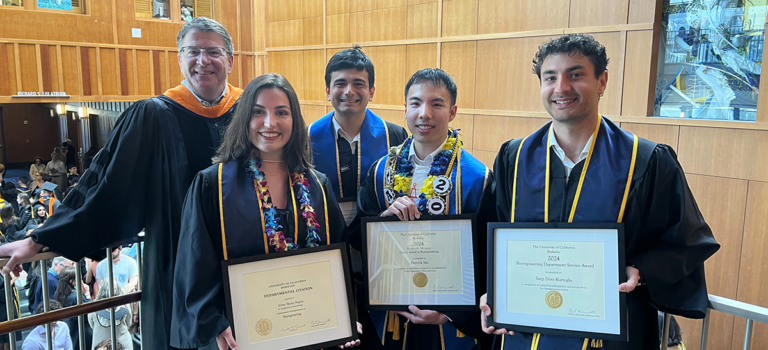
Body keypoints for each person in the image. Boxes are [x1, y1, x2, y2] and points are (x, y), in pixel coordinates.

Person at [0, 17, 243, 350]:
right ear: (179, 58)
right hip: (176, 263)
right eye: (193, 51)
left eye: (213, 51)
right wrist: (42, 237)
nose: (203, 60)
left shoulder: (251, 112)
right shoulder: (153, 115)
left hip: (243, 259)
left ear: (230, 60)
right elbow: (105, 184)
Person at [478, 34, 720, 350]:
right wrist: (494, 291)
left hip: (609, 336)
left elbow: (688, 241)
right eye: (550, 77)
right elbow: (497, 240)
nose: (561, 87)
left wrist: (642, 270)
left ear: (602, 81)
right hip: (524, 335)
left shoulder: (644, 161)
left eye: (575, 75)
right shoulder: (515, 157)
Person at [170, 73, 357, 349]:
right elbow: (194, 268)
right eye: (258, 112)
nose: (270, 123)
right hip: (243, 339)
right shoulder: (213, 185)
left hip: (308, 335)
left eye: (281, 112)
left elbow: (336, 262)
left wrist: (343, 317)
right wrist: (216, 325)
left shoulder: (317, 185)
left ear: (294, 121)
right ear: (245, 118)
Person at [356, 69, 494, 350]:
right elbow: (359, 234)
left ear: (452, 111)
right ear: (404, 108)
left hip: (446, 322)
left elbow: (487, 257)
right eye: (416, 103)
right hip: (392, 313)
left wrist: (449, 313)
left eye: (437, 104)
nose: (424, 114)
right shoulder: (380, 171)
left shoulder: (477, 179)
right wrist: (383, 219)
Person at [309, 46, 409, 226]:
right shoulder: (306, 138)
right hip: (325, 240)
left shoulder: (394, 136)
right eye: (340, 84)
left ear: (371, 92)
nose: (349, 91)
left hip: (379, 235)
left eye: (358, 83)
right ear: (327, 91)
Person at [54, 267, 93, 350]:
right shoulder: (76, 297)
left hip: (69, 330)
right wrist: (87, 295)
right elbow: (90, 310)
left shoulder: (58, 294)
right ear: (72, 281)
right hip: (81, 331)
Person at [89, 279, 133, 350]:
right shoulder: (125, 305)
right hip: (123, 342)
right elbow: (129, 323)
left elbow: (92, 324)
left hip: (100, 344)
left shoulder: (93, 307)